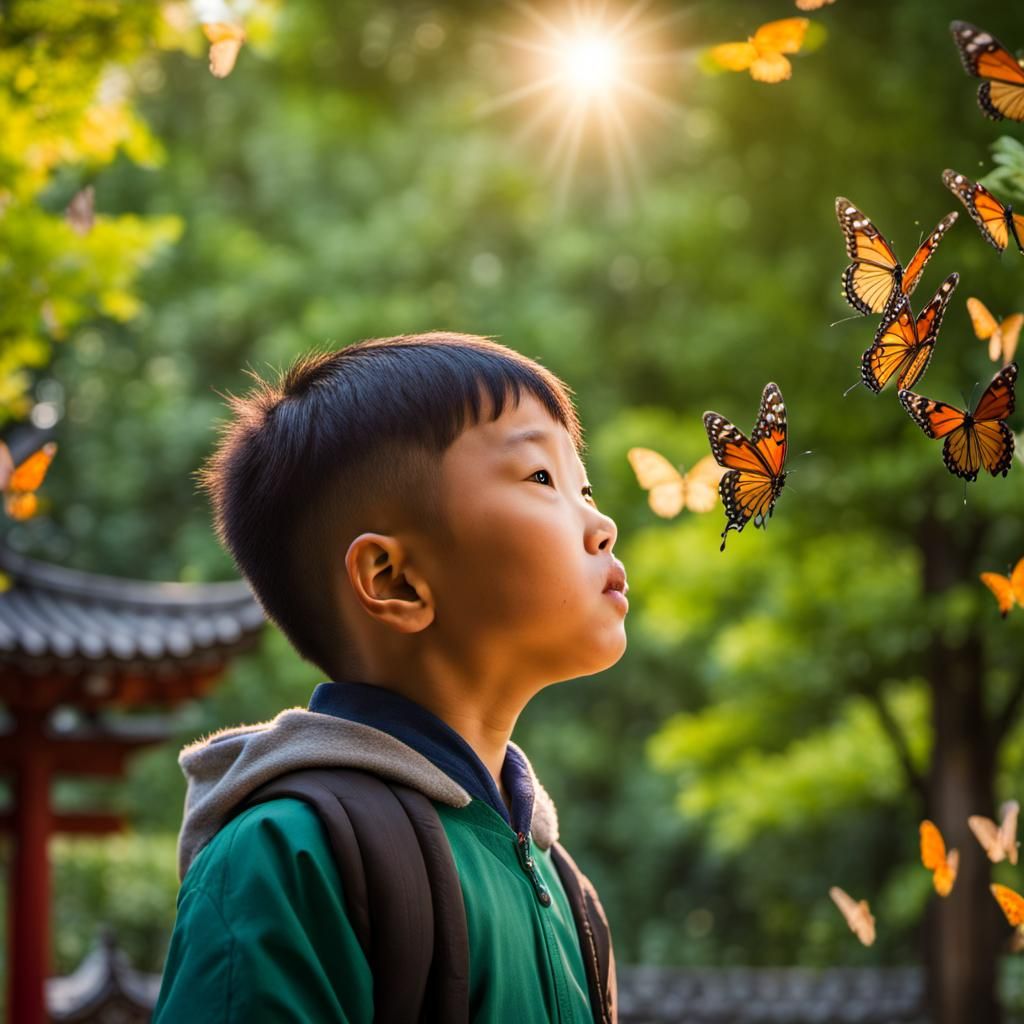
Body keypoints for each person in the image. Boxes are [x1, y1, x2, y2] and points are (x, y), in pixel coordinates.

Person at [152, 331, 628, 1022]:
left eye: (585, 487)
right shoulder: (286, 858)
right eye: (542, 479)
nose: (602, 524)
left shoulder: (567, 892)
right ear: (394, 580)